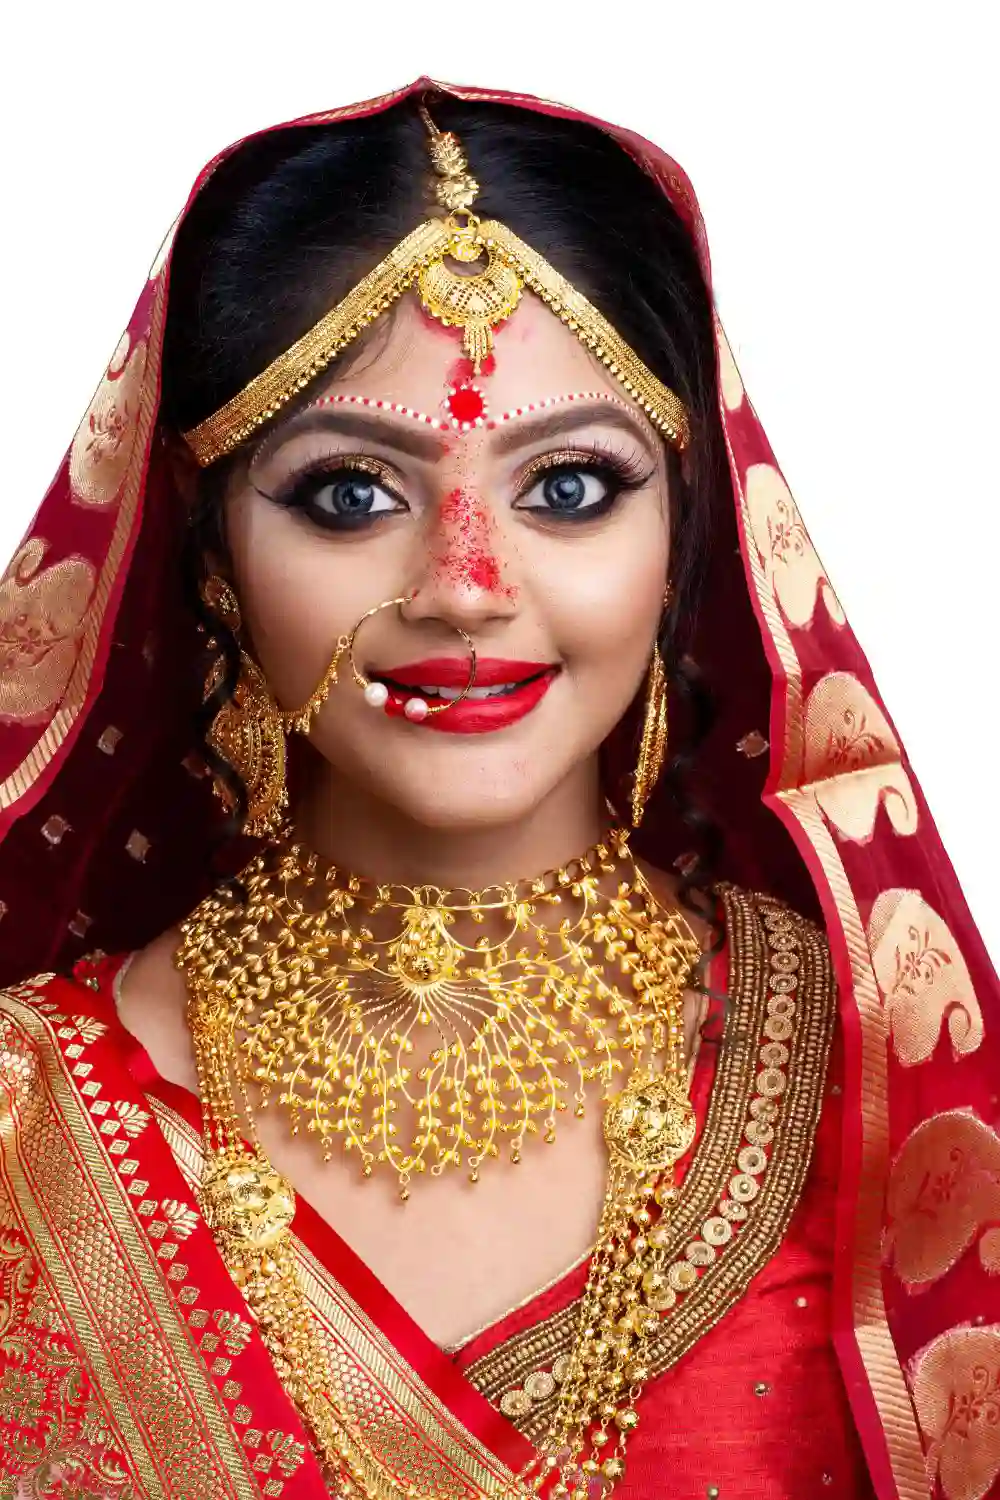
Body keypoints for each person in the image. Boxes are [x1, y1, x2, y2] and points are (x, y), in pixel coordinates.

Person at [0, 78, 995, 1500]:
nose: (466, 584)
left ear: (687, 533)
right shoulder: (29, 1117)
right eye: (349, 493)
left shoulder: (888, 1085)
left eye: (572, 487)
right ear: (210, 549)